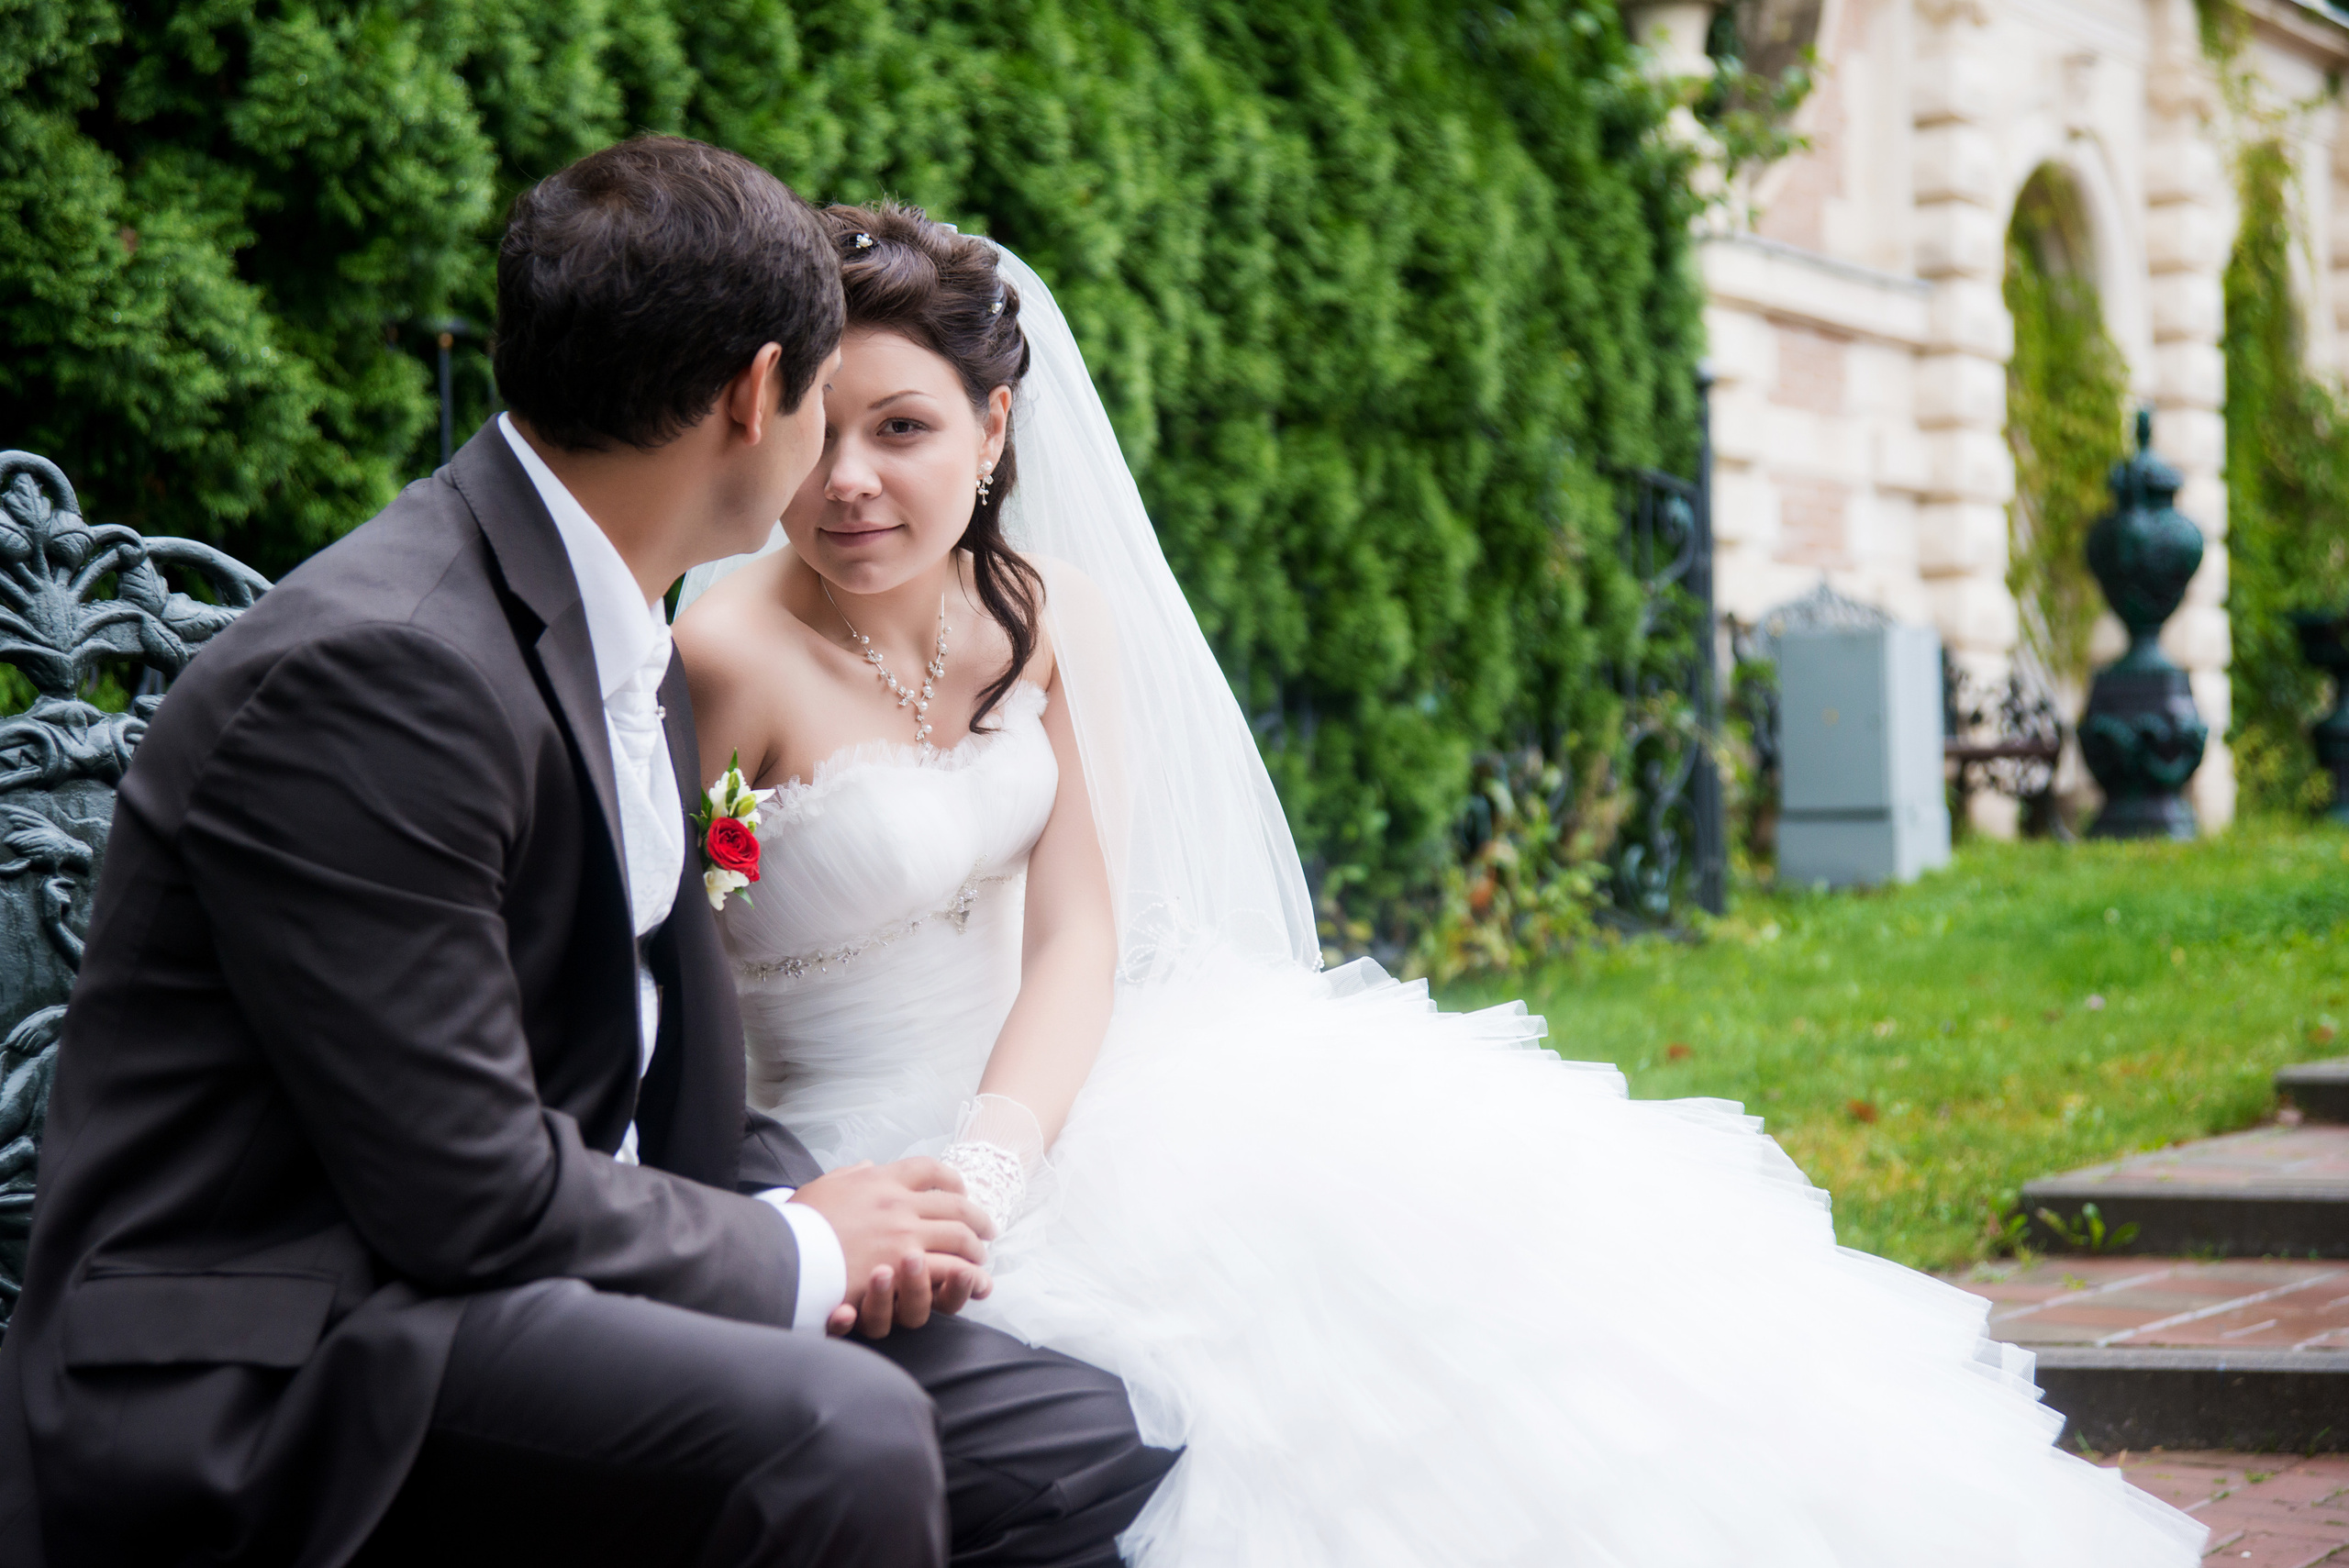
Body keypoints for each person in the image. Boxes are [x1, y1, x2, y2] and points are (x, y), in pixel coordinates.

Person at [674, 202, 2209, 1567]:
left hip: (1061, 1085)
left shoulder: (1047, 608)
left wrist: (998, 1167)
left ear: (996, 428)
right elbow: (684, 963)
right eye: (822, 430)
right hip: (840, 1134)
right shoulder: (726, 658)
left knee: (1450, 1293)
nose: (853, 483)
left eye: (906, 429)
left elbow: (1080, 930)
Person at [0, 139, 1172, 1568]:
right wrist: (801, 1249)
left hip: (526, 1263)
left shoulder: (605, 622)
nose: (844, 466)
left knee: (1078, 1435)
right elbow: (465, 1186)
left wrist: (806, 1198)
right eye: (822, 401)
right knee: (839, 1434)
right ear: (759, 396)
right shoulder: (387, 670)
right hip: (307, 1354)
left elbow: (623, 1052)